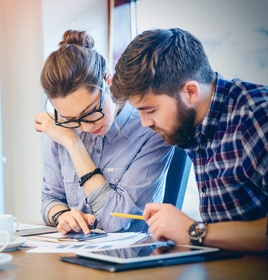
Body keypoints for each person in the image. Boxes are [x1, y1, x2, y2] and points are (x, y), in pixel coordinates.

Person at [111, 27, 268, 252]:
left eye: (151, 110)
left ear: (191, 92)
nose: (145, 123)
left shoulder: (256, 118)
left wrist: (193, 231)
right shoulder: (193, 123)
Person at [34, 30, 173, 235]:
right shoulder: (61, 126)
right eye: (72, 120)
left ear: (108, 81)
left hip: (133, 258)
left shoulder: (150, 129)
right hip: (76, 253)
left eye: (91, 112)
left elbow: (114, 220)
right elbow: (50, 200)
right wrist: (62, 215)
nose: (86, 127)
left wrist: (74, 144)